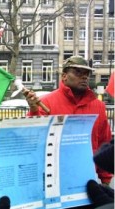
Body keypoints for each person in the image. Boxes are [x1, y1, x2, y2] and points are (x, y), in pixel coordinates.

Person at [23, 55, 113, 185]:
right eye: (78, 72)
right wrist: (34, 111)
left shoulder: (98, 106)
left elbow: (104, 143)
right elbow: (31, 138)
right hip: (53, 179)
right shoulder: (45, 102)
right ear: (64, 76)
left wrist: (106, 180)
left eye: (87, 73)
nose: (84, 76)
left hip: (86, 180)